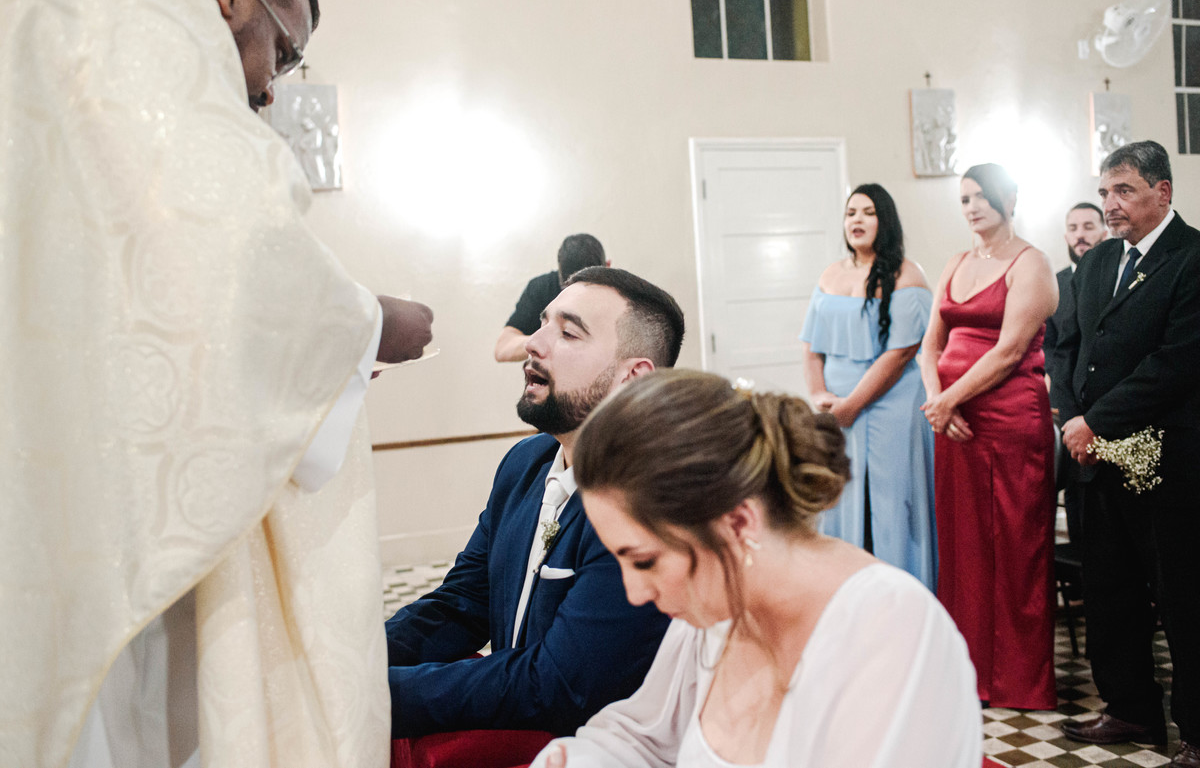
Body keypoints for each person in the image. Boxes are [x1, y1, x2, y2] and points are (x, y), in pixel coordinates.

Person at [2, 0, 434, 766]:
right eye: (285, 51)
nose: (271, 88)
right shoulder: (149, 18)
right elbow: (234, 264)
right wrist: (372, 326)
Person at [529, 370, 981, 768]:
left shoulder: (890, 629)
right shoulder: (717, 606)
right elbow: (640, 739)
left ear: (739, 523)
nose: (635, 593)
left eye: (645, 560)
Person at [387, 267, 683, 738]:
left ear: (632, 377)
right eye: (542, 323)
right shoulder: (525, 463)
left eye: (568, 333)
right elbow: (464, 602)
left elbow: (555, 685)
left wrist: (378, 697)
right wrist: (360, 661)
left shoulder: (648, 502)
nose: (534, 343)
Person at [1052, 141, 1200, 768]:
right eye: (1104, 192)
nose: (1110, 204)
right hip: (1093, 460)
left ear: (1162, 192)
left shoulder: (1192, 258)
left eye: (1123, 191)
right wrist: (1070, 417)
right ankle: (1130, 706)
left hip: (1166, 458)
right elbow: (1067, 347)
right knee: (1110, 589)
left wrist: (1097, 422)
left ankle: (1197, 730)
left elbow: (1178, 361)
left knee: (1183, 598)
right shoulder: (1097, 262)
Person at [920, 163, 1059, 710]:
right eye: (964, 199)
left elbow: (1009, 350)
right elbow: (930, 346)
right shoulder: (955, 262)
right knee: (963, 549)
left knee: (1016, 550)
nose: (972, 207)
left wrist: (948, 400)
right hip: (953, 426)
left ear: (1009, 198)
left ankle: (1018, 681)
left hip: (1009, 422)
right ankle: (968, 671)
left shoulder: (1033, 263)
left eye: (981, 196)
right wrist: (938, 401)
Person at [799, 183, 937, 590]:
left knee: (892, 507)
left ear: (885, 221)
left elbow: (900, 352)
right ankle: (848, 597)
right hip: (837, 410)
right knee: (840, 500)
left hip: (890, 406)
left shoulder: (908, 275)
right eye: (850, 213)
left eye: (868, 212)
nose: (856, 220)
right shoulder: (830, 275)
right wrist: (819, 395)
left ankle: (900, 597)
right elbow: (811, 347)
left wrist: (853, 404)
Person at [1044, 202, 1108, 540]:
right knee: (1077, 498)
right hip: (1066, 407)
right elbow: (1048, 346)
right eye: (1073, 228)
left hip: (1109, 406)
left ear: (1104, 231)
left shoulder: (1115, 279)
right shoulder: (1054, 284)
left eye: (1088, 226)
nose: (1080, 235)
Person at [494, 233, 609, 362]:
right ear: (560, 274)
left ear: (608, 267)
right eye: (569, 288)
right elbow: (503, 348)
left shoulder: (619, 294)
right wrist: (546, 338)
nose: (577, 296)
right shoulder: (541, 288)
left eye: (588, 287)